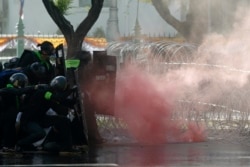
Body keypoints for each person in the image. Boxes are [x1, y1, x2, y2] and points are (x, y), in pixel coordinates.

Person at [17, 76, 77, 152]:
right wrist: (71, 91)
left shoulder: (49, 93)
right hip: (29, 120)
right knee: (40, 133)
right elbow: (58, 98)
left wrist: (74, 101)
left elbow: (58, 104)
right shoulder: (46, 92)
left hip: (40, 118)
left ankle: (67, 147)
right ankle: (20, 144)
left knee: (64, 120)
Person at [0, 73, 33, 152]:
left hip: (9, 116)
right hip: (6, 115)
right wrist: (34, 88)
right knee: (8, 129)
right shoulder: (7, 89)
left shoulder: (12, 91)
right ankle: (7, 146)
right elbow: (18, 92)